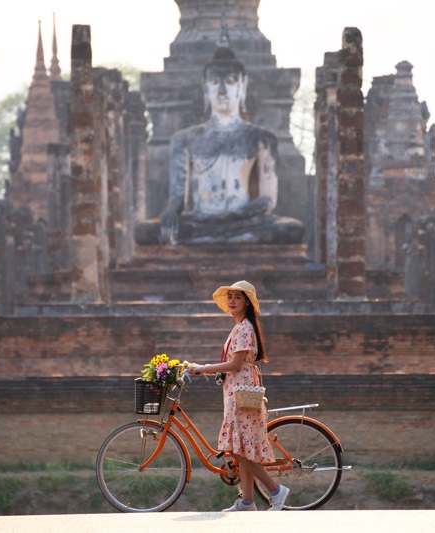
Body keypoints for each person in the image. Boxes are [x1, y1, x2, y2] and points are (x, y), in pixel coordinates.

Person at [134, 46, 304, 246]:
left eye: (230, 82)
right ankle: (220, 238)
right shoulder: (184, 139)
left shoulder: (261, 138)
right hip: (200, 220)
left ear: (242, 86)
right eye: (214, 83)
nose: (222, 91)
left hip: (244, 222)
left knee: (291, 230)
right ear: (205, 88)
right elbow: (178, 197)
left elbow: (267, 200)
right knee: (145, 232)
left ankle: (215, 239)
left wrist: (231, 217)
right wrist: (170, 213)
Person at [188, 280, 290, 511]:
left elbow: (235, 364)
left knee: (235, 448)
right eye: (230, 297)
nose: (232, 301)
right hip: (236, 390)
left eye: (238, 297)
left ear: (247, 303)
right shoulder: (241, 327)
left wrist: (203, 368)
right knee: (241, 446)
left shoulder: (244, 328)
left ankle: (275, 490)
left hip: (240, 392)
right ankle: (247, 501)